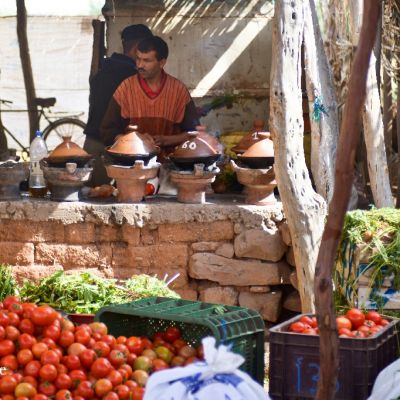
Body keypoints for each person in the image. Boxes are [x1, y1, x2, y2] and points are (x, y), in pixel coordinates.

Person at [100, 35, 200, 161]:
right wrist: (134, 140)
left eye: (146, 61)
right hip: (131, 165)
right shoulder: (126, 88)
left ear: (162, 62)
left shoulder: (178, 90)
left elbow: (194, 133)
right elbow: (107, 131)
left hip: (169, 167)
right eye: (138, 59)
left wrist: (166, 140)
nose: (140, 65)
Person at [83, 24, 153, 186]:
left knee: (93, 199)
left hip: (92, 146)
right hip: (115, 151)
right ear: (137, 48)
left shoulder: (104, 70)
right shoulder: (133, 77)